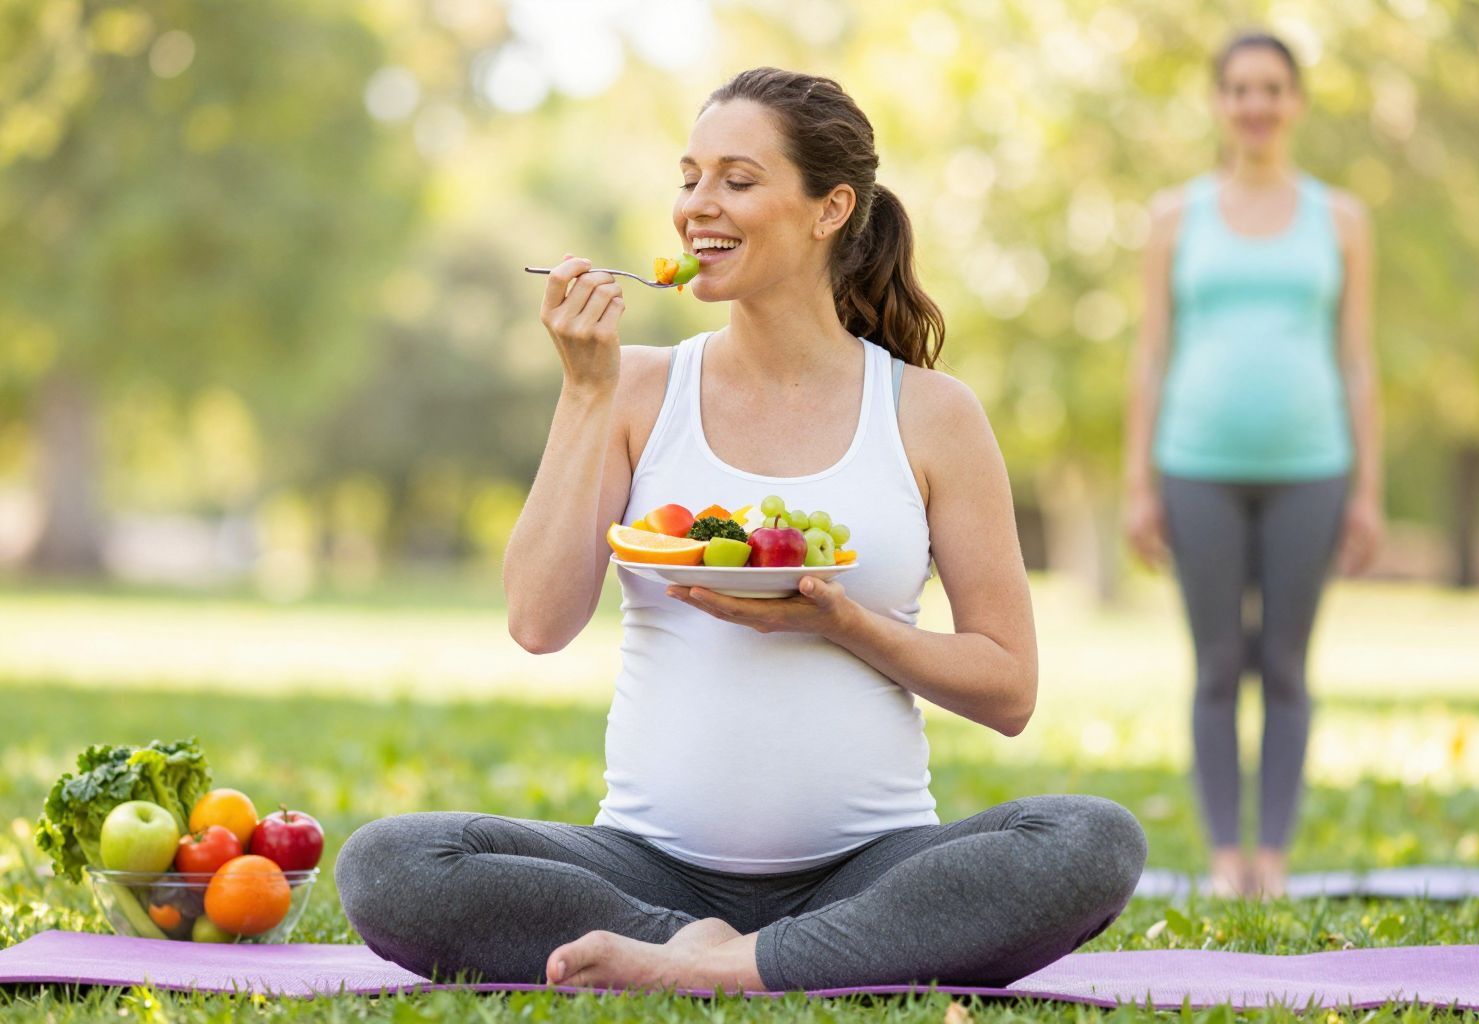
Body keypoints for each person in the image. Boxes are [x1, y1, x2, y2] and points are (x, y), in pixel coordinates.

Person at [338, 67, 1146, 992]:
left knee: (1092, 839)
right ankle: (703, 949)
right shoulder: (634, 388)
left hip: (870, 869)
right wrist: (587, 391)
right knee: (390, 864)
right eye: (689, 178)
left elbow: (1009, 690)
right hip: (647, 869)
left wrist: (845, 623)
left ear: (830, 208)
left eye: (737, 179)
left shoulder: (931, 413)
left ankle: (713, 968)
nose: (696, 206)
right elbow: (537, 621)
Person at [1122, 34, 1382, 899]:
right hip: (1196, 465)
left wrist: (1369, 490)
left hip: (1314, 467)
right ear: (1219, 102)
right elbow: (1150, 355)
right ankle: (1225, 857)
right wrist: (1137, 484)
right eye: (1239, 88)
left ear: (1295, 101)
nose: (1256, 104)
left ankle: (1272, 855)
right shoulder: (1174, 217)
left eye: (1272, 87)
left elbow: (1358, 362)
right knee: (1217, 664)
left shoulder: (1341, 219)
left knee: (1286, 665)